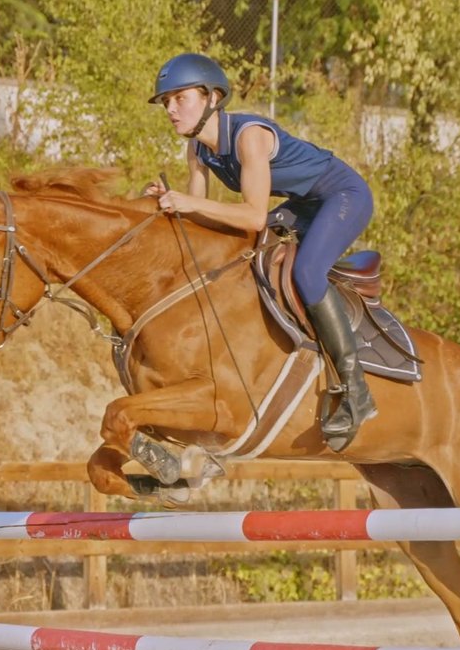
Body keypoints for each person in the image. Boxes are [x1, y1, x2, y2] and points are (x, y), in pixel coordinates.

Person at [145, 52, 377, 449]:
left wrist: (189, 202)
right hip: (302, 205)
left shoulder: (249, 136)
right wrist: (167, 203)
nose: (170, 109)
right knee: (241, 258)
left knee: (306, 273)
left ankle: (356, 388)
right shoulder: (198, 151)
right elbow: (197, 219)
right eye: (166, 101)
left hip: (342, 195)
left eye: (179, 98)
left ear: (213, 98)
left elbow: (253, 216)